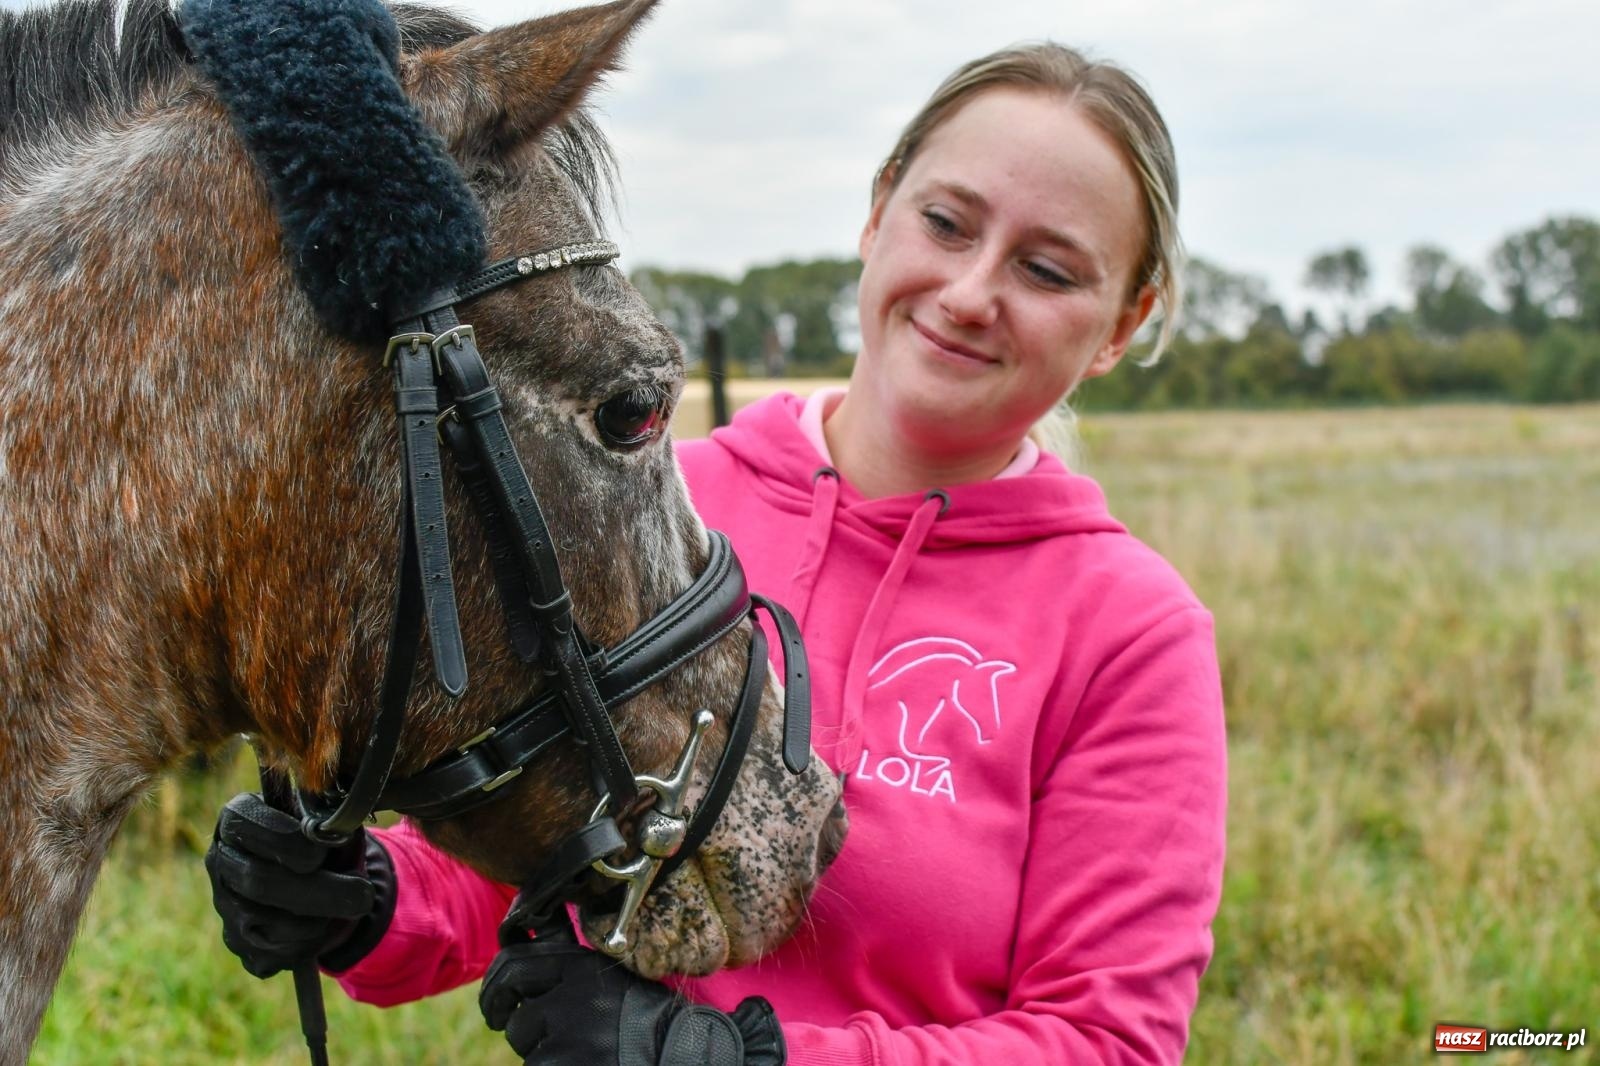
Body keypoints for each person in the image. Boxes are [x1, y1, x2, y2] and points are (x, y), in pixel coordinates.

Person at [208, 41, 1226, 1065]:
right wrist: (369, 901)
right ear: (877, 215)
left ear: (1119, 326)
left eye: (1045, 269)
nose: (968, 291)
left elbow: (1108, 1040)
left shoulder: (1128, 631)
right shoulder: (660, 494)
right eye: (946, 223)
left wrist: (732, 1059)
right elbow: (557, 840)